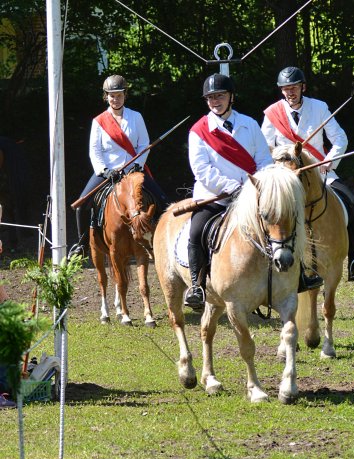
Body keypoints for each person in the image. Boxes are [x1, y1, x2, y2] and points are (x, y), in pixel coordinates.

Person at [261, 66, 354, 282]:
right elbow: (263, 147)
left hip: (319, 171)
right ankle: (267, 261)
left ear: (303, 87)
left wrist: (329, 161)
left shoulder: (319, 108)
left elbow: (340, 138)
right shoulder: (272, 113)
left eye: (294, 87)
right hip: (286, 178)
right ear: (281, 91)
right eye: (286, 88)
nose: (290, 92)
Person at [184, 73, 274, 310]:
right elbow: (202, 170)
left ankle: (296, 275)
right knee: (196, 231)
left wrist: (255, 186)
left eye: (220, 95)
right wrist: (232, 187)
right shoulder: (198, 131)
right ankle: (197, 285)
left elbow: (264, 160)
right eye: (211, 97)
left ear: (231, 97)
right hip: (215, 197)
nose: (215, 101)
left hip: (252, 196)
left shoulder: (250, 124)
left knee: (280, 223)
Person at [69, 74, 168, 258]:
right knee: (82, 203)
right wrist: (105, 171)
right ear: (106, 96)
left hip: (133, 170)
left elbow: (144, 144)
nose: (115, 99)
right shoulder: (98, 121)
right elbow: (95, 151)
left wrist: (136, 165)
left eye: (119, 95)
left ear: (125, 95)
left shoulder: (136, 117)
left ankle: (165, 239)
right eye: (111, 95)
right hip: (108, 172)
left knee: (163, 200)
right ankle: (82, 243)